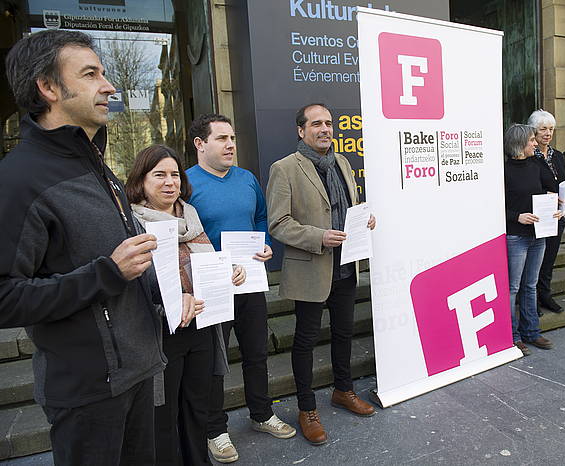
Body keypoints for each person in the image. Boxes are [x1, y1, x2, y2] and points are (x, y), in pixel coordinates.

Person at [0, 30, 165, 465]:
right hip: (87, 391)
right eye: (91, 74)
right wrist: (106, 273)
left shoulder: (98, 165)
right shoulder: (18, 180)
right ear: (49, 88)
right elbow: (5, 297)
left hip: (137, 371)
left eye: (105, 73)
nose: (109, 86)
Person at [126, 144, 246, 465]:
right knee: (163, 417)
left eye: (175, 174)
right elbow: (132, 285)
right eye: (159, 174)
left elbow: (205, 263)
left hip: (202, 328)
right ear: (141, 180)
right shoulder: (132, 224)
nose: (170, 182)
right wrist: (171, 301)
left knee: (197, 408)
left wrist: (229, 272)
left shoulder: (189, 215)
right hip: (161, 333)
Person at [186, 114, 296, 463]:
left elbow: (261, 217)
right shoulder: (186, 184)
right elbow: (182, 237)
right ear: (200, 145)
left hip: (249, 281)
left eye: (232, 137)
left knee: (256, 351)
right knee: (214, 362)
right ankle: (215, 430)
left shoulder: (247, 179)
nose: (230, 144)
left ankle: (262, 414)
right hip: (212, 285)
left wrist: (264, 244)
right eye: (221, 138)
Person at [266, 103, 377, 446]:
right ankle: (306, 409)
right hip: (312, 269)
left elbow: (347, 207)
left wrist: (364, 220)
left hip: (346, 266)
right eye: (316, 124)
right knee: (305, 341)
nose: (325, 129)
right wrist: (319, 237)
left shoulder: (342, 162)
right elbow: (278, 223)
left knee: (343, 334)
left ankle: (343, 391)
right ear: (301, 130)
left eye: (328, 123)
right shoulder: (284, 169)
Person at [504, 124, 563, 356]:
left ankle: (532, 331)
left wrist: (557, 208)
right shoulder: (504, 171)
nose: (536, 143)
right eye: (531, 140)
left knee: (530, 285)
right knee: (513, 288)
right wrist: (517, 216)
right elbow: (496, 205)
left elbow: (553, 190)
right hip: (516, 236)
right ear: (519, 144)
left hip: (539, 234)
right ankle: (513, 335)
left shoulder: (537, 165)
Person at [526, 109, 565, 315]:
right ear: (533, 131)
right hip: (537, 215)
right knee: (535, 260)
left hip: (556, 215)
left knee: (550, 258)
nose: (548, 133)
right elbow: (526, 186)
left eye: (551, 129)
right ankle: (531, 299)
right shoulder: (528, 156)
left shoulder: (558, 156)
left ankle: (545, 295)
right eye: (543, 129)